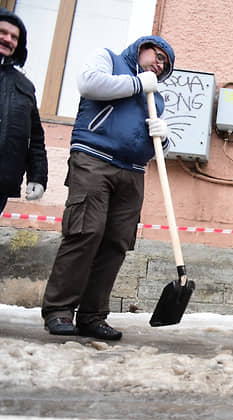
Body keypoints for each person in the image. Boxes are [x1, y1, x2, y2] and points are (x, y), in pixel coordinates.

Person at [40, 36, 175, 340]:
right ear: (141, 49)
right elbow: (89, 85)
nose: (160, 62)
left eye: (165, 63)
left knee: (116, 242)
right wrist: (139, 83)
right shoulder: (109, 61)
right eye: (158, 54)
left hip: (132, 172)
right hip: (94, 160)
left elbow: (156, 151)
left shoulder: (156, 98)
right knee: (85, 232)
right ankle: (59, 310)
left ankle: (93, 316)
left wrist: (163, 138)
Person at [0, 8, 46, 213]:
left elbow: (35, 138)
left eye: (14, 37)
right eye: (2, 32)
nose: (8, 39)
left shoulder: (24, 86)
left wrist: (38, 176)